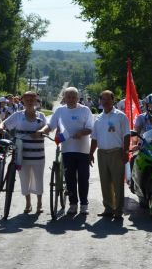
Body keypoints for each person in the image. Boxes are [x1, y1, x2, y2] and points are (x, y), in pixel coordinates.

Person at [37, 87, 94, 215]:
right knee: (70, 178)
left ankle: (84, 204)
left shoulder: (85, 110)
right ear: (64, 98)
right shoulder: (60, 111)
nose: (71, 99)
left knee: (84, 178)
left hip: (83, 150)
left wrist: (81, 132)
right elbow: (50, 125)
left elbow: (90, 128)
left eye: (74, 97)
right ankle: (73, 204)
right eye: (69, 97)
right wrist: (42, 131)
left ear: (78, 98)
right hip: (67, 150)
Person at [2, 91, 47, 214]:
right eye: (27, 99)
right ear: (22, 101)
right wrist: (1, 127)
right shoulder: (18, 115)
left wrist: (40, 131)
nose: (29, 101)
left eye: (32, 98)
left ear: (36, 100)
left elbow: (47, 128)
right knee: (24, 178)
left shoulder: (41, 116)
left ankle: (39, 203)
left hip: (38, 154)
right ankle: (28, 203)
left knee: (38, 178)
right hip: (21, 153)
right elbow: (4, 123)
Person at [89, 90, 130, 219]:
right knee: (105, 182)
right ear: (100, 101)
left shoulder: (120, 116)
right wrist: (91, 154)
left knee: (118, 183)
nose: (106, 102)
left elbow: (127, 135)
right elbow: (94, 138)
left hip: (116, 152)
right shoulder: (98, 118)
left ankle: (118, 210)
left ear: (113, 100)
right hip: (102, 153)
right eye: (103, 99)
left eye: (108, 99)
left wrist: (126, 152)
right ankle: (108, 208)